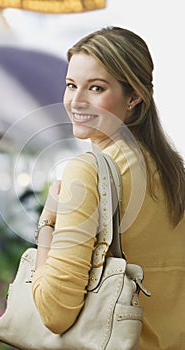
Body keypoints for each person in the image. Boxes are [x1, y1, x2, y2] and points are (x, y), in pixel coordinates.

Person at [31, 27, 185, 350]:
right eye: (71, 85)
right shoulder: (175, 173)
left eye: (96, 88)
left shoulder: (86, 173)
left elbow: (54, 311)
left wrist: (47, 223)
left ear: (134, 96)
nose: (76, 101)